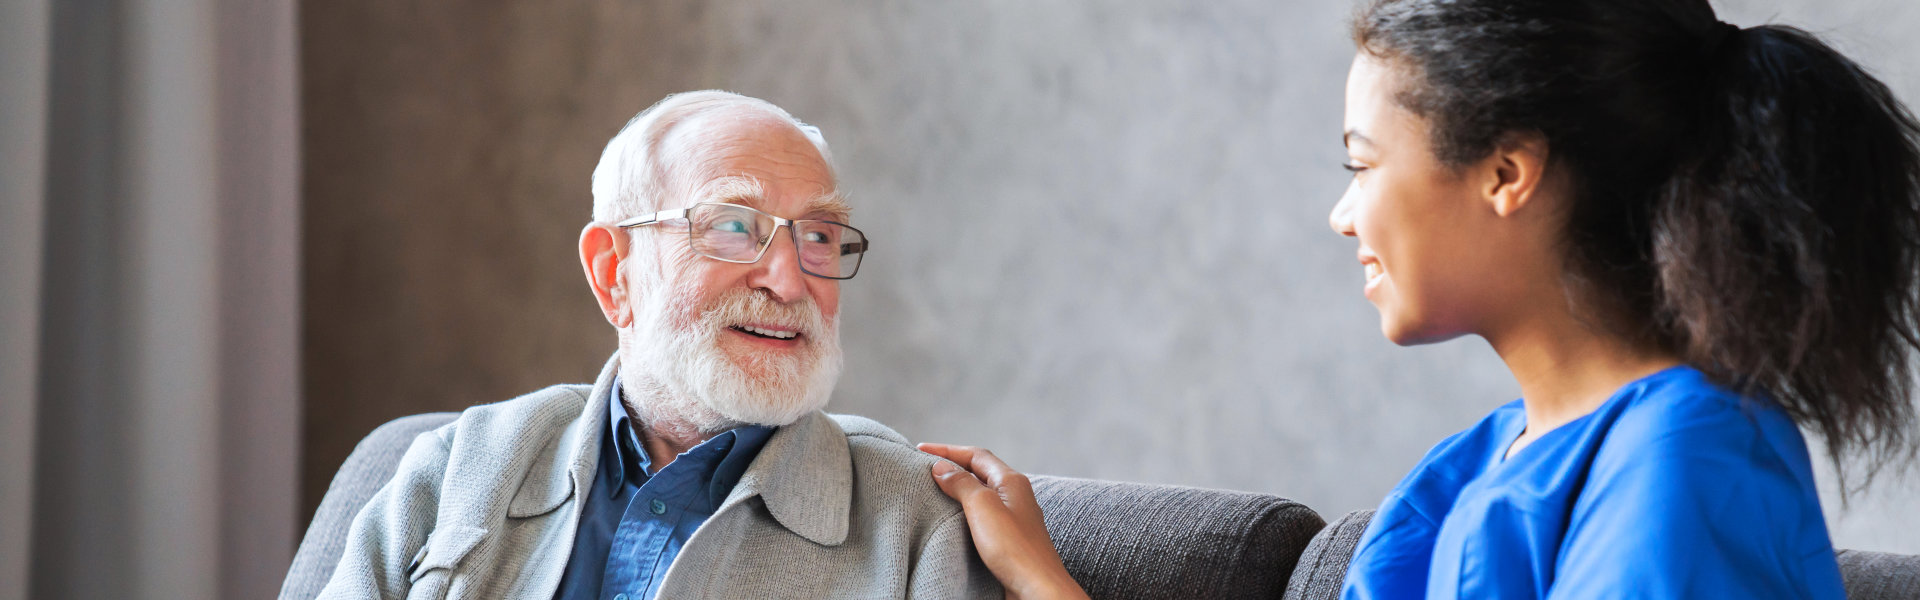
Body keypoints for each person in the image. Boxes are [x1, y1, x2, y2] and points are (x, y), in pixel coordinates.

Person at [919, 0, 1920, 598]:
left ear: (1505, 173)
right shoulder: (1474, 463)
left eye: (1362, 165)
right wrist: (1042, 576)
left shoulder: (1691, 455)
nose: (1344, 216)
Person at [317, 91, 1000, 599]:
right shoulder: (458, 466)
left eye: (817, 236)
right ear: (616, 274)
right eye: (734, 225)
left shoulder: (915, 519)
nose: (790, 280)